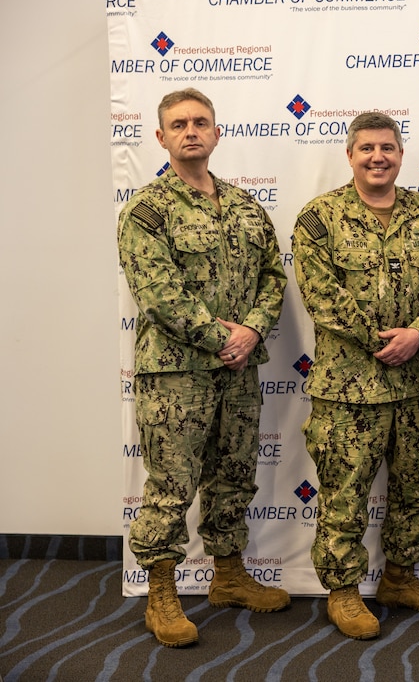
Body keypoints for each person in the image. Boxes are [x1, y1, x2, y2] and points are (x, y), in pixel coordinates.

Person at [117, 88, 290, 648]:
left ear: (217, 134)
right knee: (171, 484)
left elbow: (273, 275)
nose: (191, 130)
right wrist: (222, 338)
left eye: (201, 122)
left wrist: (253, 330)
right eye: (179, 124)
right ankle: (162, 593)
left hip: (239, 372)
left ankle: (229, 575)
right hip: (175, 374)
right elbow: (157, 293)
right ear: (161, 137)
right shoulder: (147, 210)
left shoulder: (245, 207)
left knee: (234, 473)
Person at [292, 112, 419, 640]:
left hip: (417, 382)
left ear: (401, 154)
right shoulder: (319, 217)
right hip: (348, 388)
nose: (377, 157)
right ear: (350, 155)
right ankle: (342, 591)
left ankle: (401, 578)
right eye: (367, 149)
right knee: (344, 491)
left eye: (387, 147)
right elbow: (321, 295)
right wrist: (382, 339)